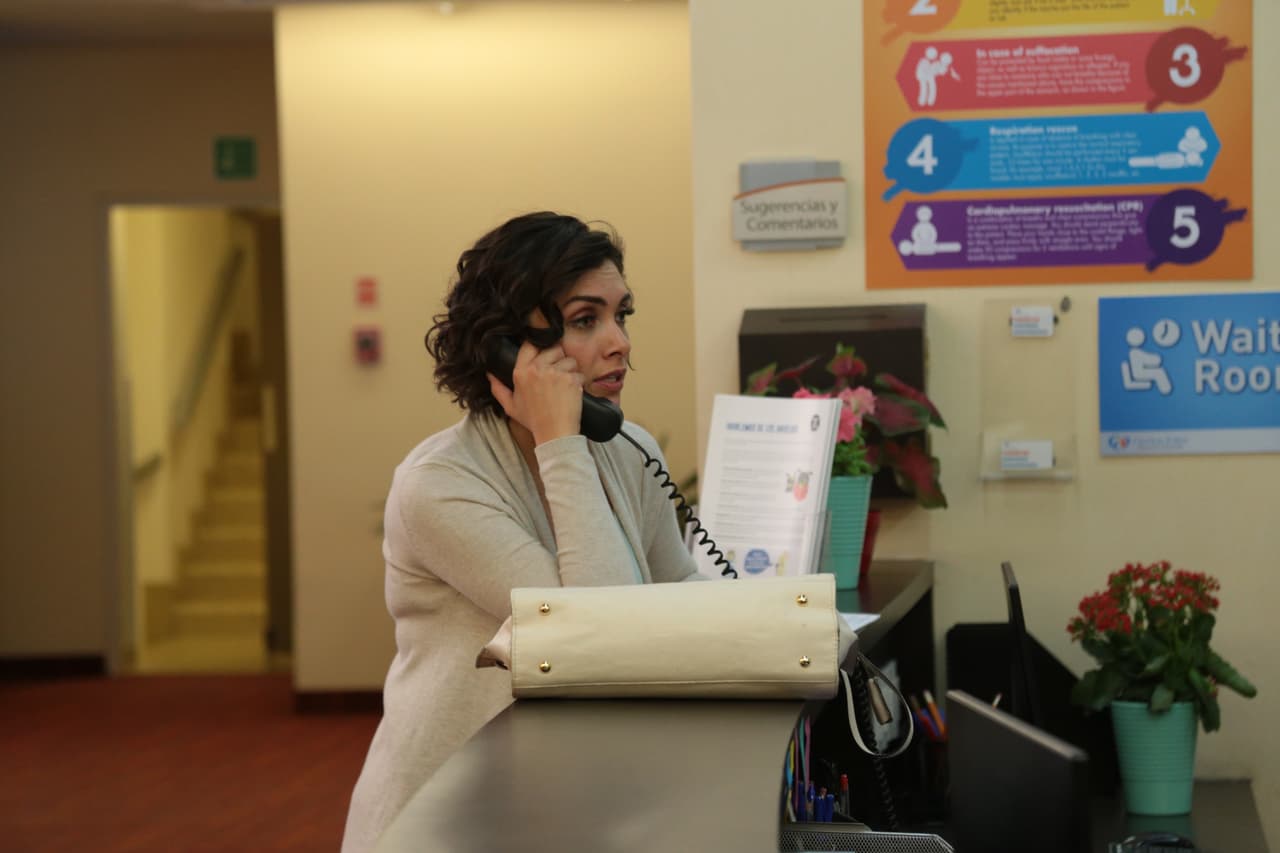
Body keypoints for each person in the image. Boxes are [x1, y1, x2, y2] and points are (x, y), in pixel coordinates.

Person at [341, 211, 702, 852]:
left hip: (564, 806)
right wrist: (560, 438)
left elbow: (679, 596)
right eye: (585, 320)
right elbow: (593, 640)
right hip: (446, 825)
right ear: (509, 348)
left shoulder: (630, 451)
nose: (619, 342)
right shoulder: (438, 485)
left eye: (622, 315)